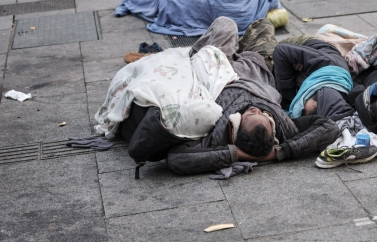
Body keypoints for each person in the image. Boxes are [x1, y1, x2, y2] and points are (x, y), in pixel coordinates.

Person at [118, 17, 339, 176]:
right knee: (264, 25)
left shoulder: (216, 136)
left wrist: (236, 155)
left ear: (235, 129)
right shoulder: (285, 129)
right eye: (265, 114)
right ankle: (201, 52)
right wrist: (280, 153)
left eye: (251, 114)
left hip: (219, 70)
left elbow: (177, 159)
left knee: (226, 24)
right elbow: (329, 127)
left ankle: (189, 57)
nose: (258, 109)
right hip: (257, 67)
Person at [272, 38, 354, 121]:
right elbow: (280, 51)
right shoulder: (326, 64)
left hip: (296, 66)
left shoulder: (336, 99)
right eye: (304, 110)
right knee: (266, 59)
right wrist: (288, 98)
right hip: (303, 43)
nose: (301, 108)